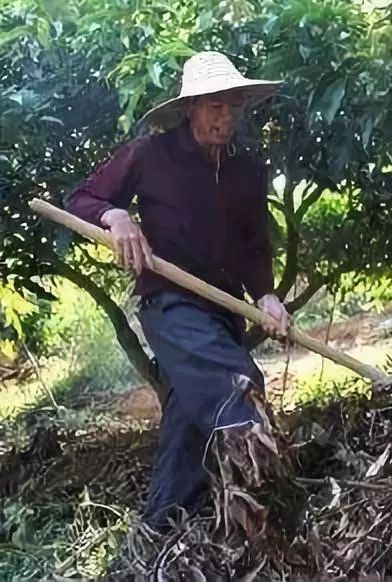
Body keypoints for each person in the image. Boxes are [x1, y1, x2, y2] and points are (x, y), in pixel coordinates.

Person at [65, 51, 292, 530]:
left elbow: (255, 245)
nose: (224, 116)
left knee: (187, 425)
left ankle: (159, 531)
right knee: (238, 387)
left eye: (232, 105)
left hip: (224, 312)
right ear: (191, 107)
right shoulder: (151, 154)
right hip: (171, 304)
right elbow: (82, 198)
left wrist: (267, 296)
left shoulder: (246, 170)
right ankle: (272, 506)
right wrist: (116, 215)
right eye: (214, 106)